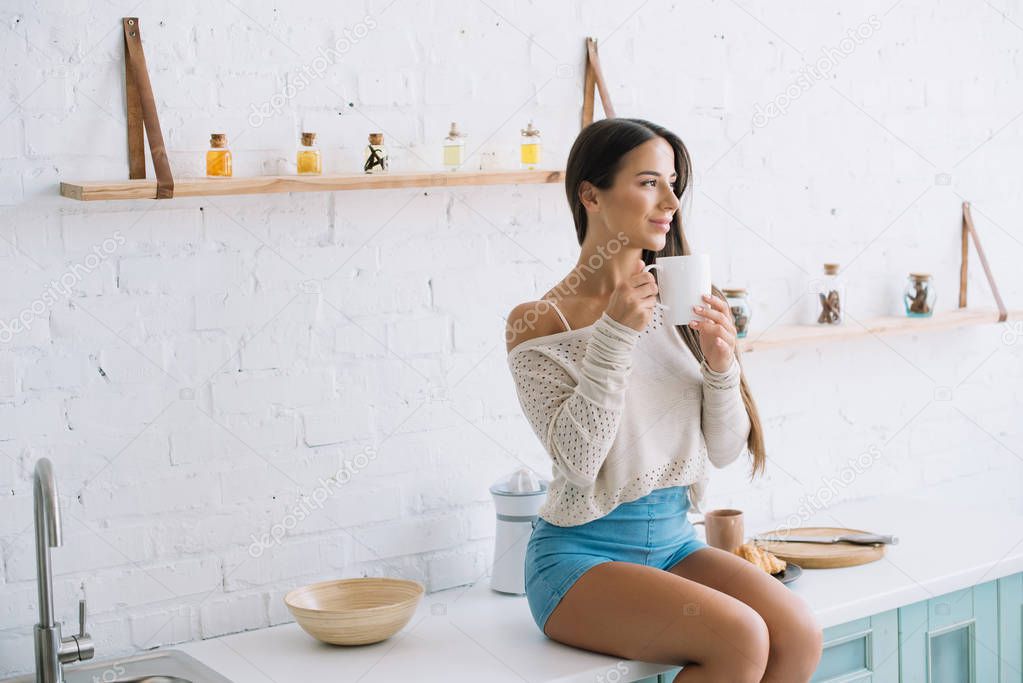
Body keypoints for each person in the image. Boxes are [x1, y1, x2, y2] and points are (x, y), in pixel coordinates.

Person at [505, 118, 823, 682]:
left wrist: (722, 366)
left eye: (674, 183)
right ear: (591, 194)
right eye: (650, 182)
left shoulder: (685, 301)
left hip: (676, 543)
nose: (672, 200)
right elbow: (579, 464)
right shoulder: (538, 323)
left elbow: (726, 451)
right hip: (580, 558)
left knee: (798, 633)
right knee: (742, 637)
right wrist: (614, 335)